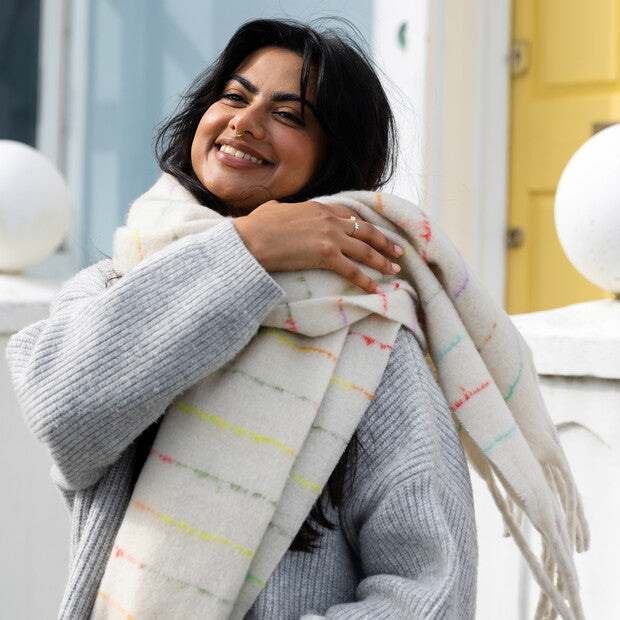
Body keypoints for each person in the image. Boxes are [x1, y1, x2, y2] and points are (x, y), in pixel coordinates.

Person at [7, 19, 477, 619]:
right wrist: (249, 250)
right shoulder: (112, 287)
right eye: (234, 95)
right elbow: (65, 414)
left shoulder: (369, 337)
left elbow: (433, 587)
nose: (245, 122)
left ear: (335, 159)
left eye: (290, 115)